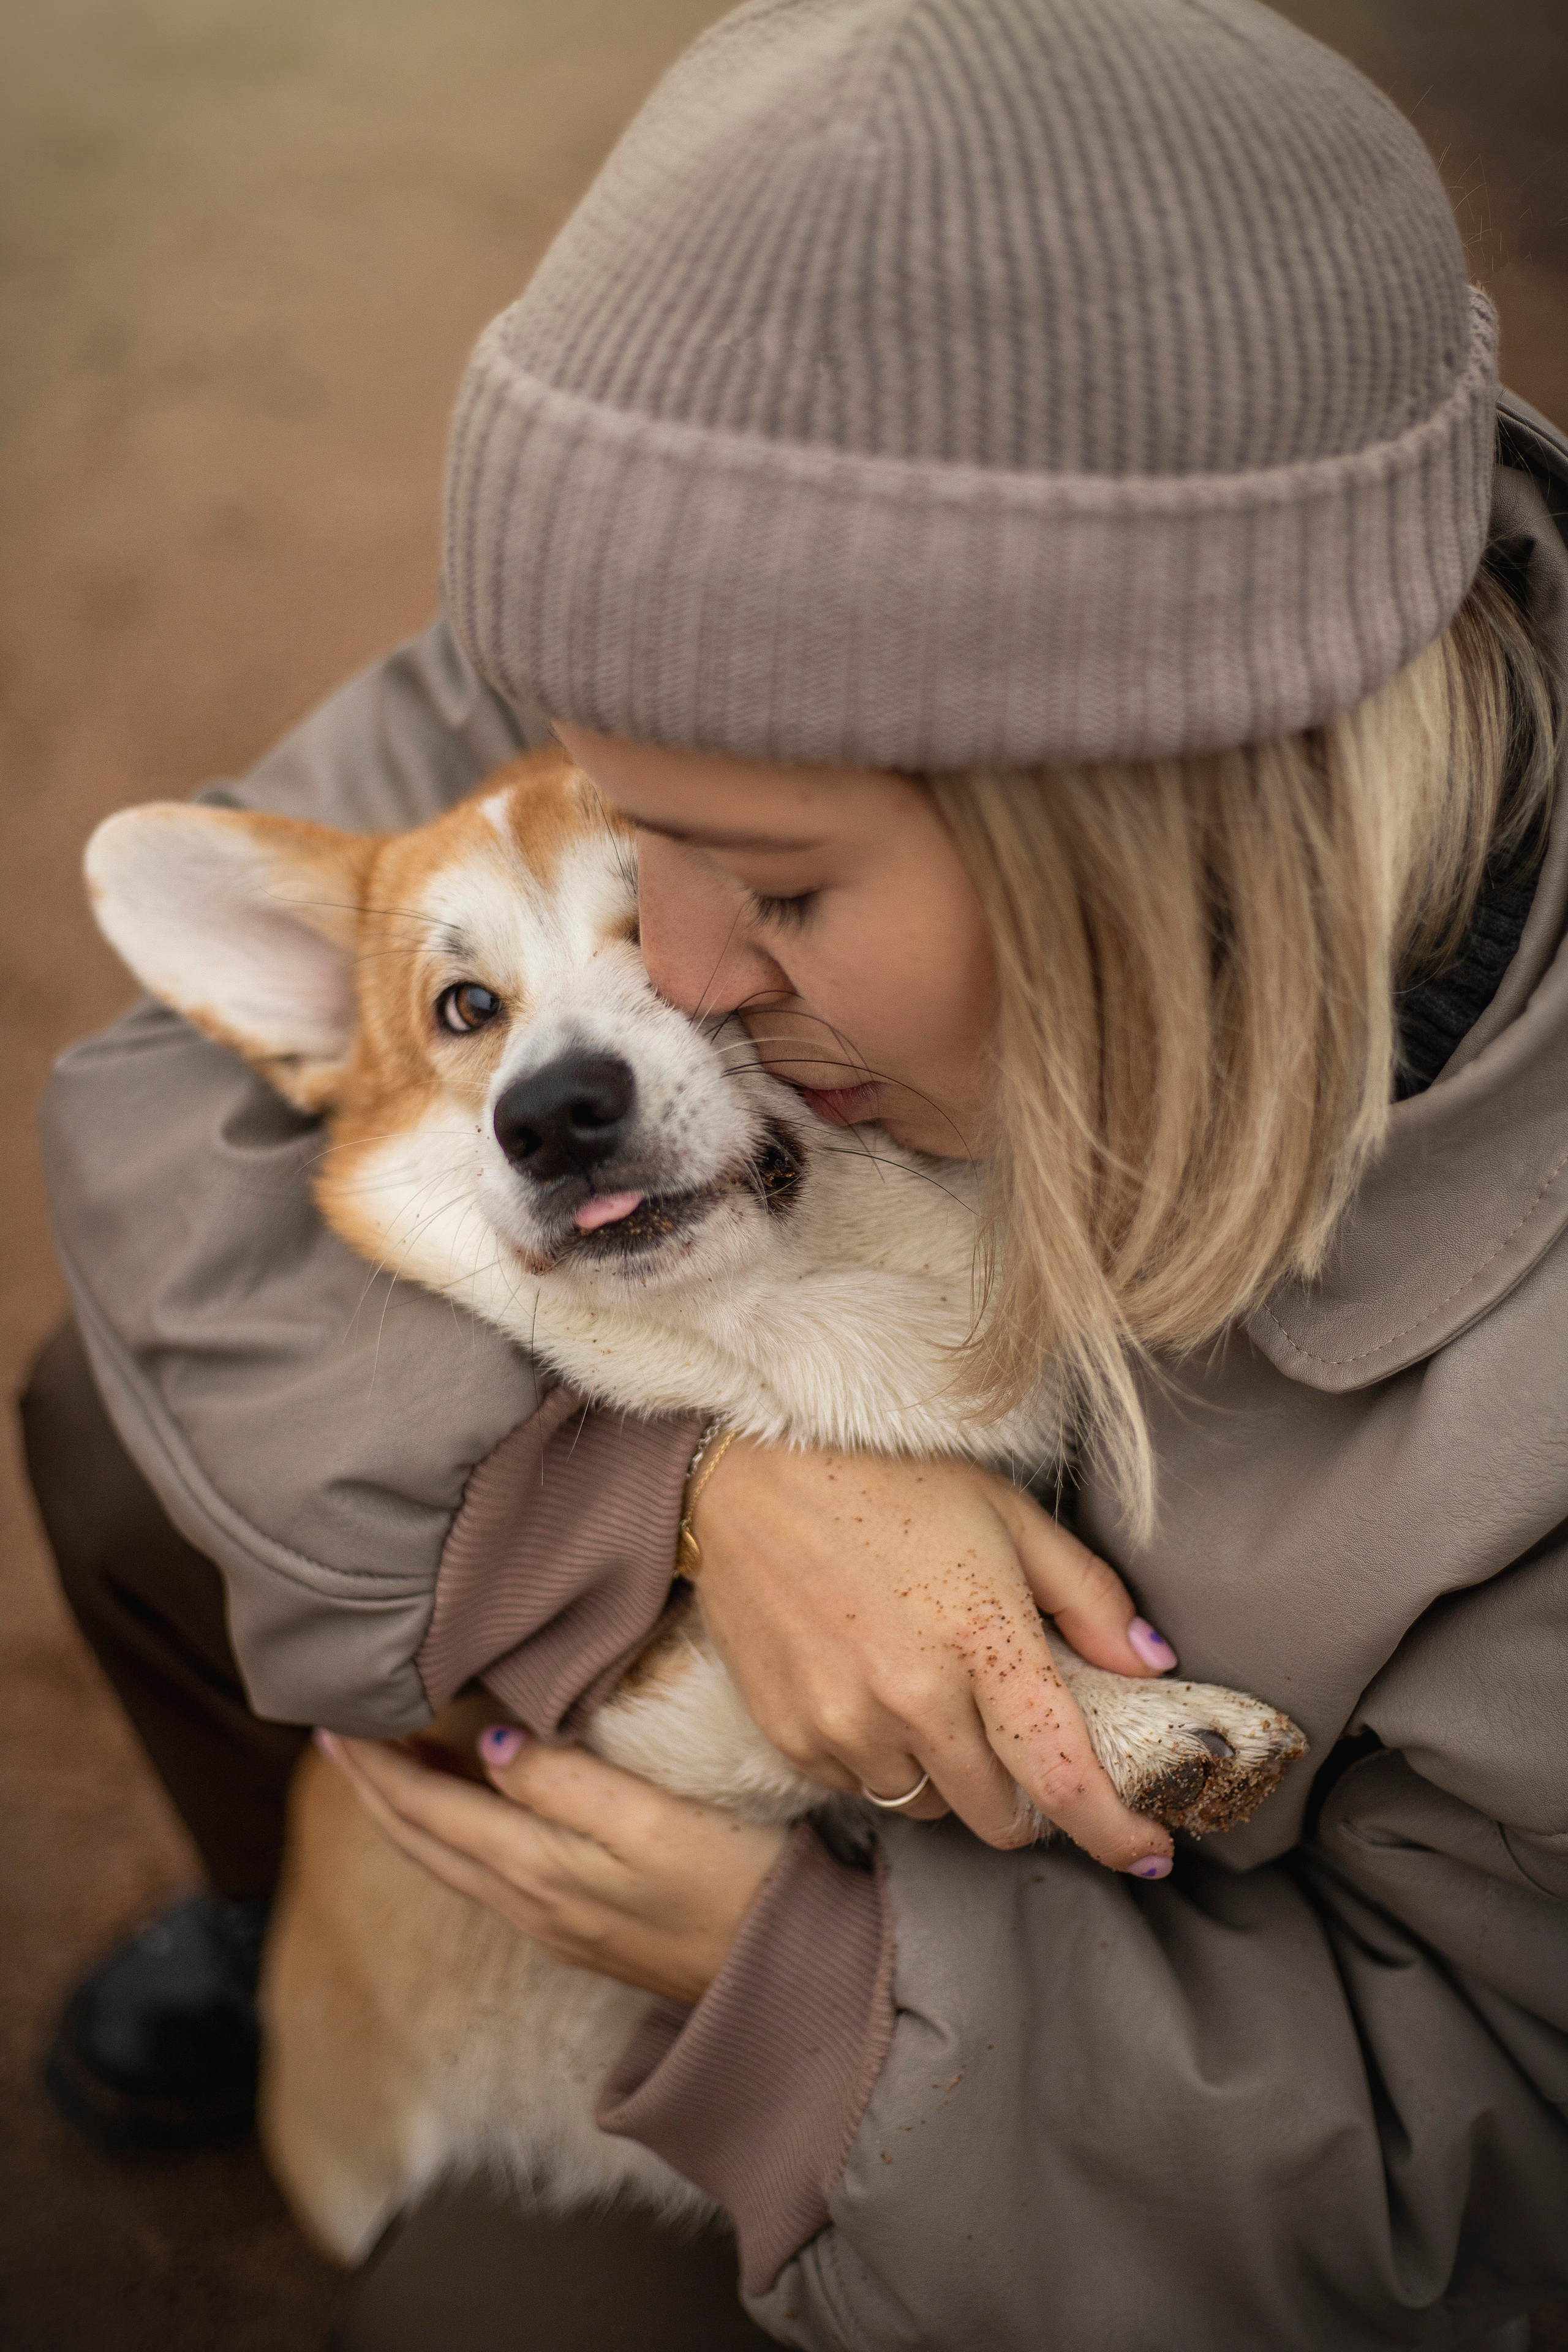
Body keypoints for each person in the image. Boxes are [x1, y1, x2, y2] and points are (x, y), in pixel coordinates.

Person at [23, 0, 1568, 2345]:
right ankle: (285, 1920)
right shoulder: (721, 605)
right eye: (629, 850)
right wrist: (663, 1509)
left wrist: (802, 1985)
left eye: (754, 890)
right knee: (111, 1420)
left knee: (474, 2317)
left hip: (1074, 2073)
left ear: (1118, 826)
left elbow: (1480, 2176)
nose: (687, 972)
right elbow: (160, 1096)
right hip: (698, 1731)